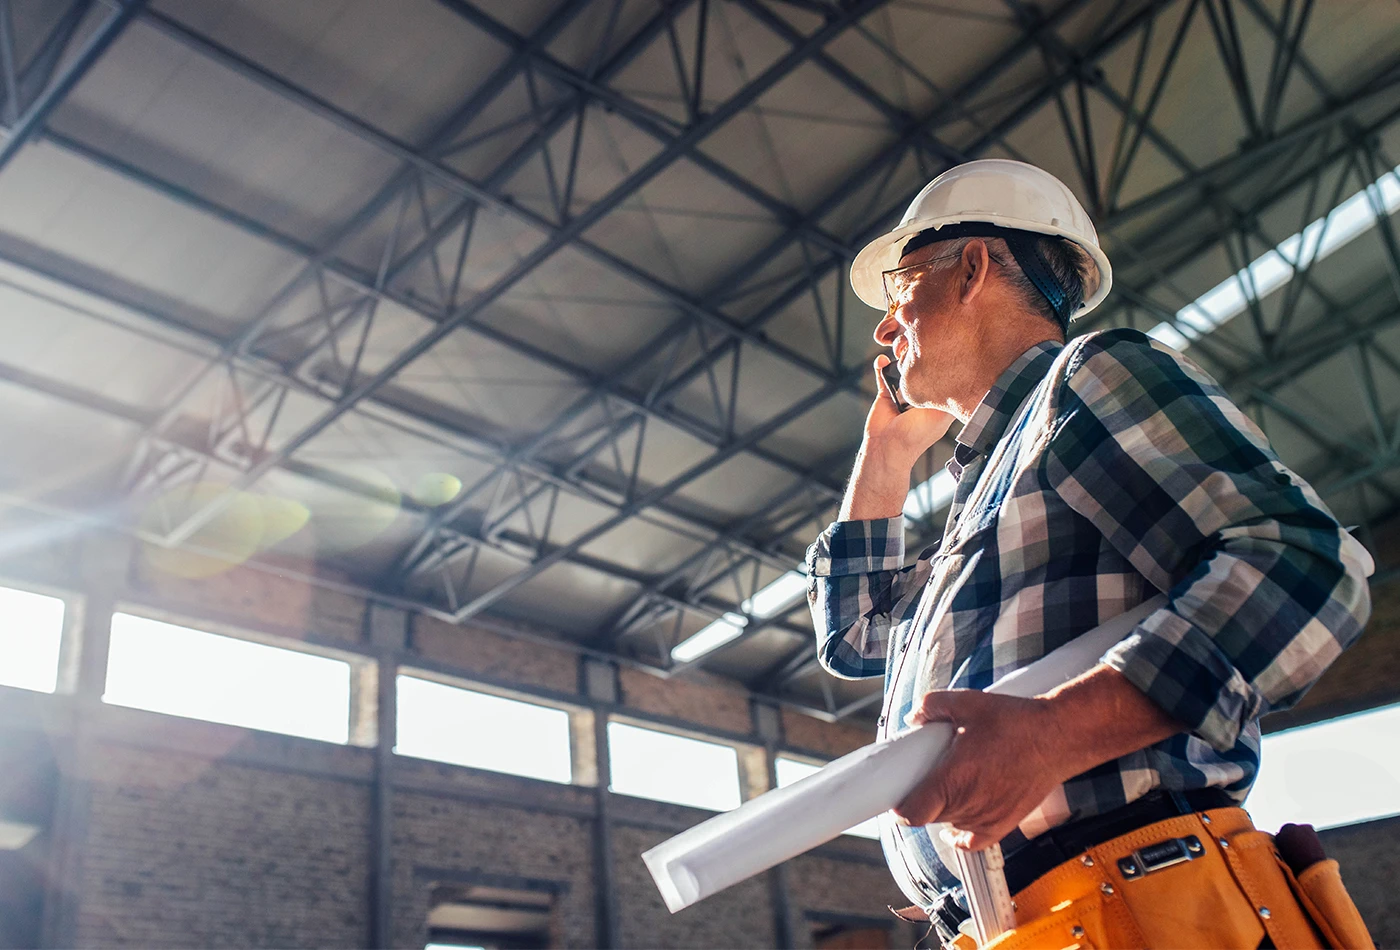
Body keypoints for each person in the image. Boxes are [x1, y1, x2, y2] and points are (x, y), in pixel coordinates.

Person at [806, 159, 1375, 948]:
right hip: (1032, 923)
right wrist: (885, 457)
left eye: (901, 286)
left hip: (1144, 899)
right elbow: (855, 634)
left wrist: (1053, 733)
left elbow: (1304, 567)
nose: (884, 325)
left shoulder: (1086, 379)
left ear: (971, 267)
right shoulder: (992, 498)